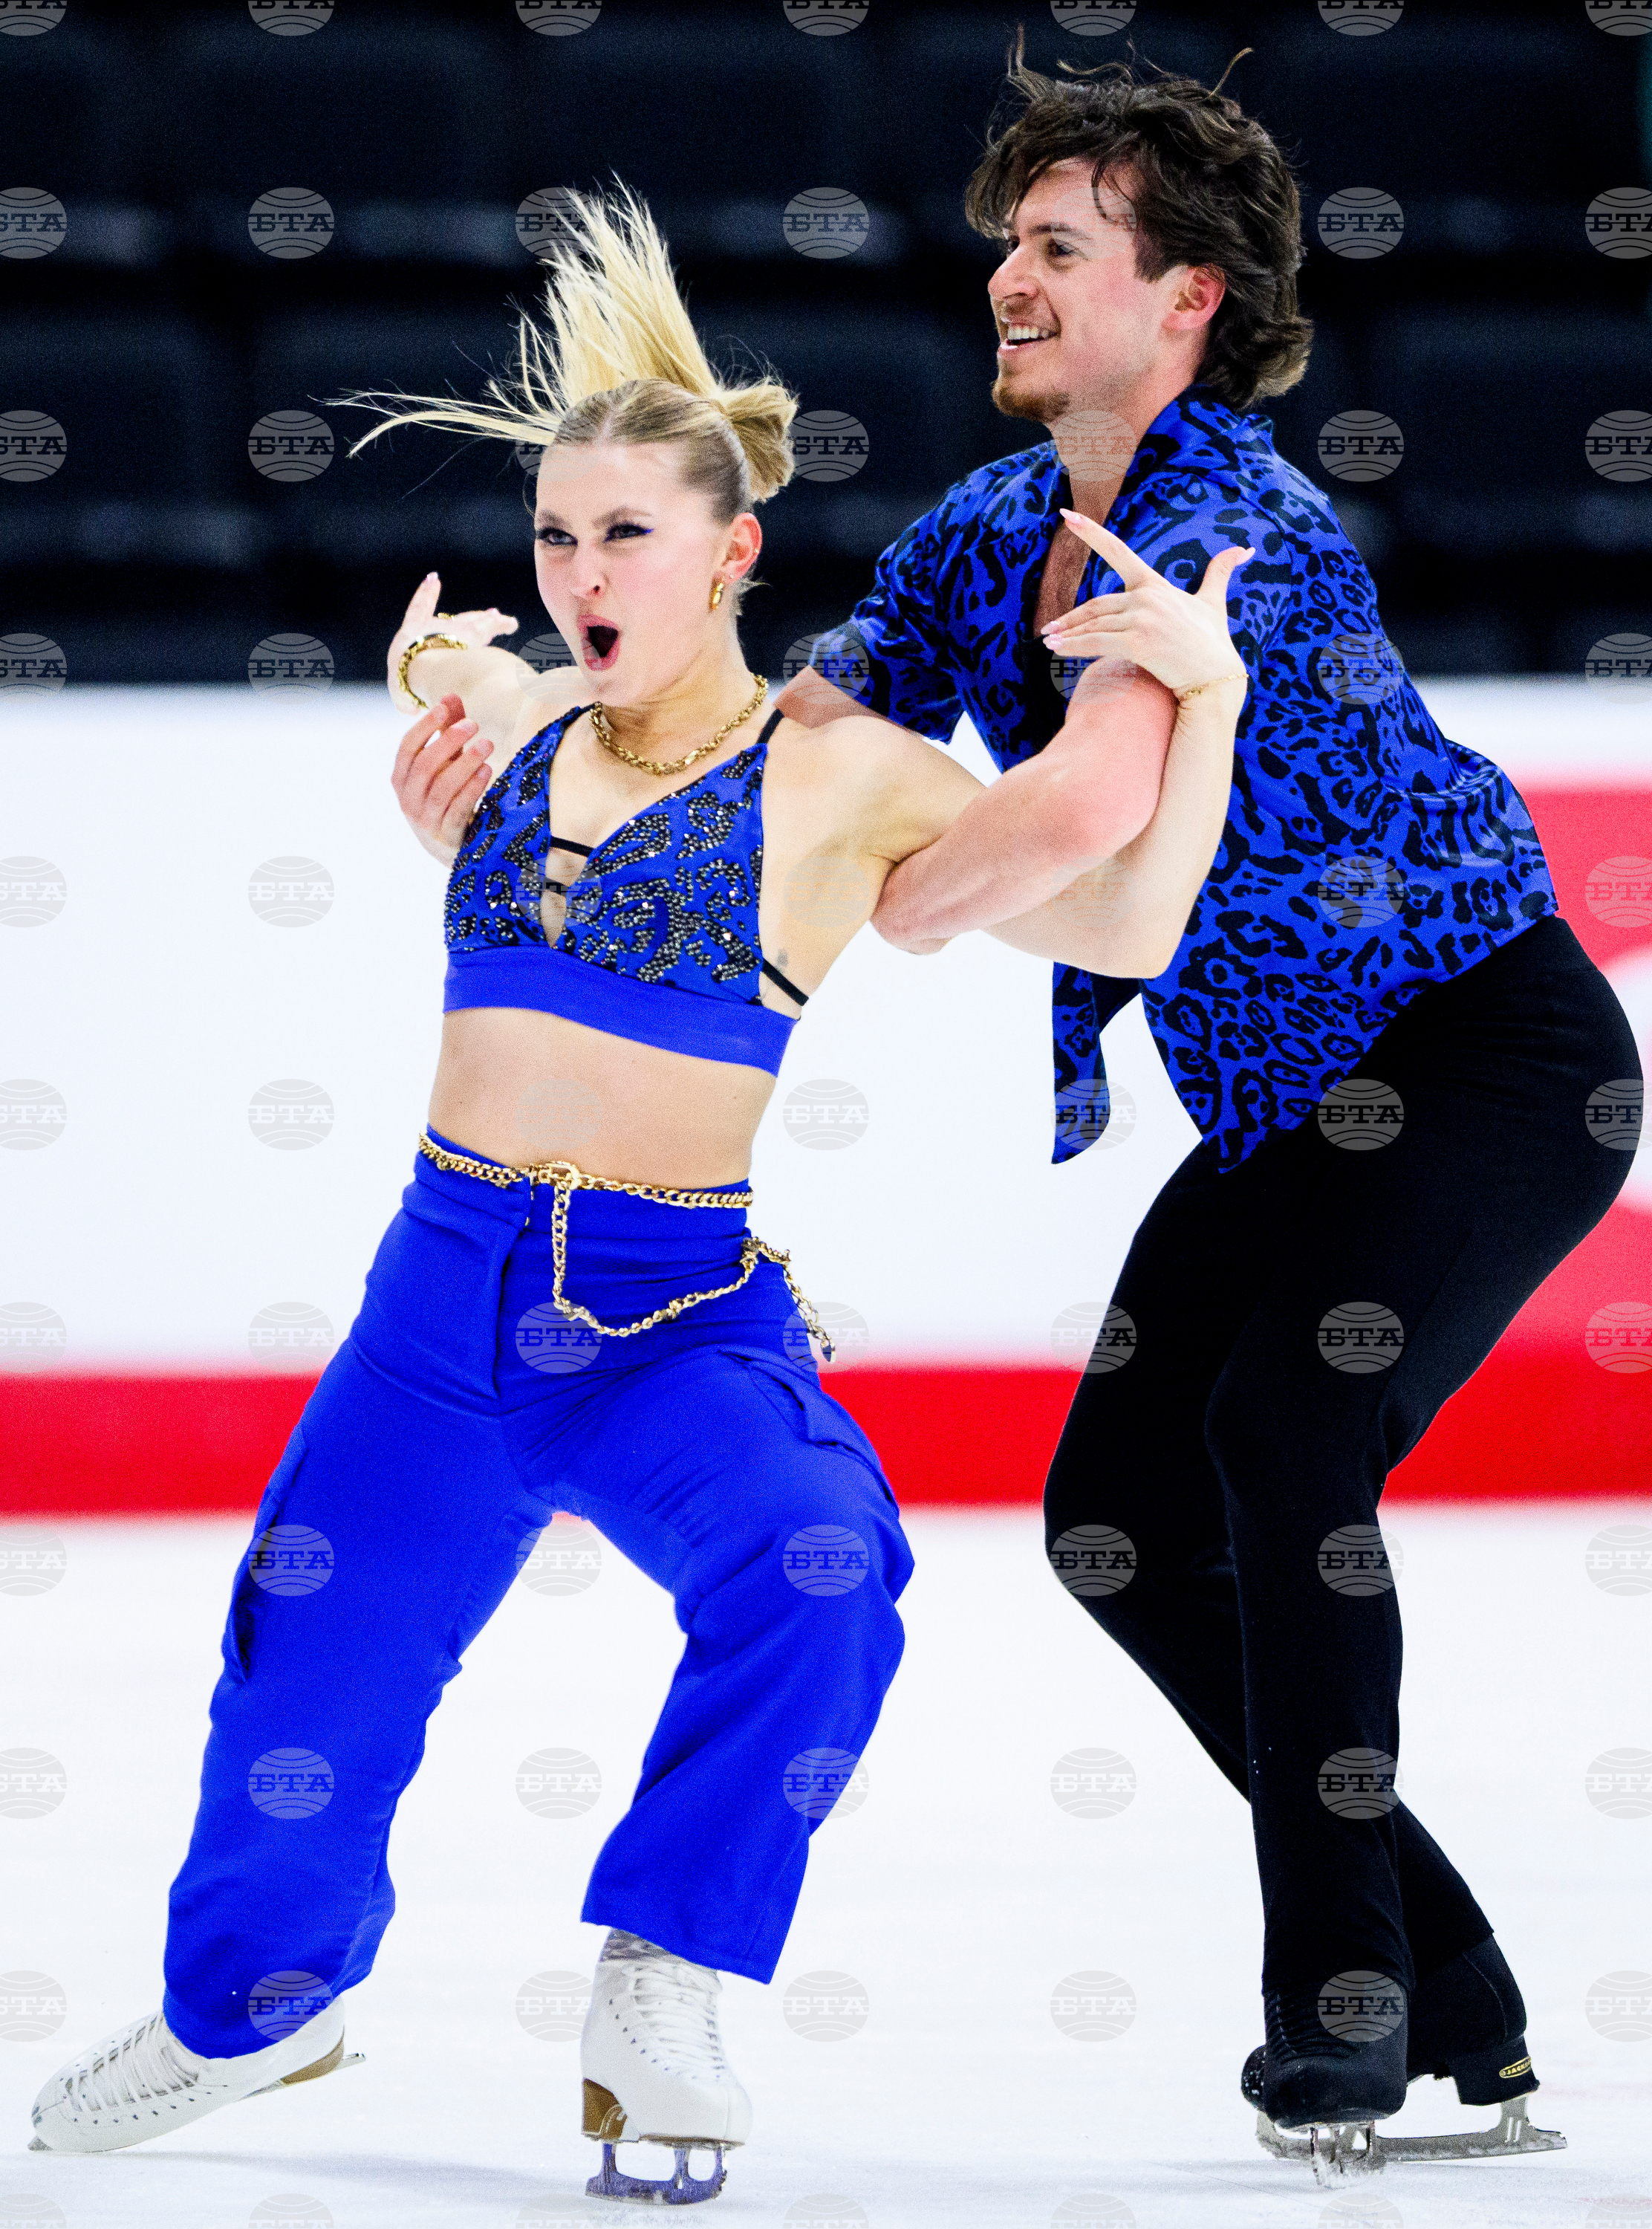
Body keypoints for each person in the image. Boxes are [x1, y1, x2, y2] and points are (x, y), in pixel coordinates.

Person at [29, 186, 1253, 2202]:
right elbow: (501, 832)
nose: (580, 573)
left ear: (731, 554)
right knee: (298, 1674)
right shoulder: (519, 733)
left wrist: (1193, 701)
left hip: (668, 1317)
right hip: (437, 1302)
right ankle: (254, 2008)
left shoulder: (833, 778)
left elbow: (1125, 913)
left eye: (623, 536)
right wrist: (443, 717)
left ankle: (667, 1968)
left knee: (825, 1571)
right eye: (556, 536)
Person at [769, 48, 1640, 2163]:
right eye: (1006, 248)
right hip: (1287, 1115)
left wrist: (894, 911)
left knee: (1279, 1429)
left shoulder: (1235, 519)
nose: (1009, 280)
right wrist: (556, 733)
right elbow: (805, 725)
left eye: (1060, 247)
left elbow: (1092, 797)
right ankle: (1451, 1968)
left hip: (1485, 1054)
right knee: (1121, 1512)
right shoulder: (988, 527)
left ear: (1189, 297)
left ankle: (1340, 2003)